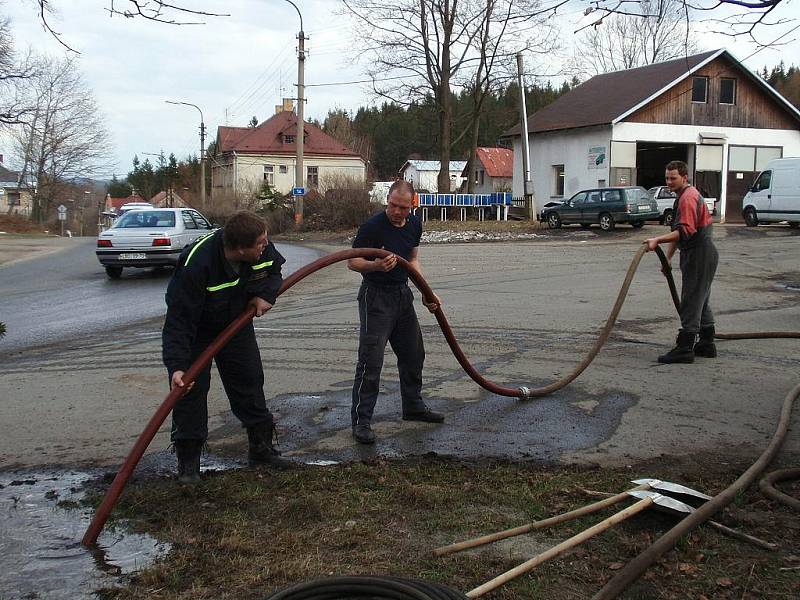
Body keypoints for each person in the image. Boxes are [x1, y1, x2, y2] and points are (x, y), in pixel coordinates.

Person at [162, 210, 290, 483]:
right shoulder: (197, 264)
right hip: (198, 333)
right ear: (241, 249)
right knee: (190, 392)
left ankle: (261, 450)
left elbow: (274, 272)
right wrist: (177, 367)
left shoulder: (261, 248)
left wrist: (264, 296)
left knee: (250, 381)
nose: (266, 246)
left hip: (236, 325)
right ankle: (188, 464)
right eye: (260, 243)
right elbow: (178, 321)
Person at [348, 180, 444, 444]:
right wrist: (377, 265)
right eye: (393, 205)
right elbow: (352, 261)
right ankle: (362, 421)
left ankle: (412, 406)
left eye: (403, 207)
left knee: (414, 353)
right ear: (387, 200)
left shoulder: (414, 224)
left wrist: (427, 292)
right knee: (371, 360)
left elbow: (412, 259)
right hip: (375, 297)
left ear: (411, 205)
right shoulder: (372, 226)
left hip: (402, 295)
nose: (397, 211)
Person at [644, 160, 719, 364]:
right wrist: (667, 258)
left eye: (673, 178)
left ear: (684, 177)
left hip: (699, 253)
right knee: (700, 300)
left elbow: (685, 231)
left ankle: (685, 347)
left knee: (691, 299)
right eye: (667, 178)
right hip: (699, 253)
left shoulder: (687, 198)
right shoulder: (684, 196)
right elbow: (677, 234)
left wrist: (657, 240)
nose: (669, 182)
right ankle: (706, 343)